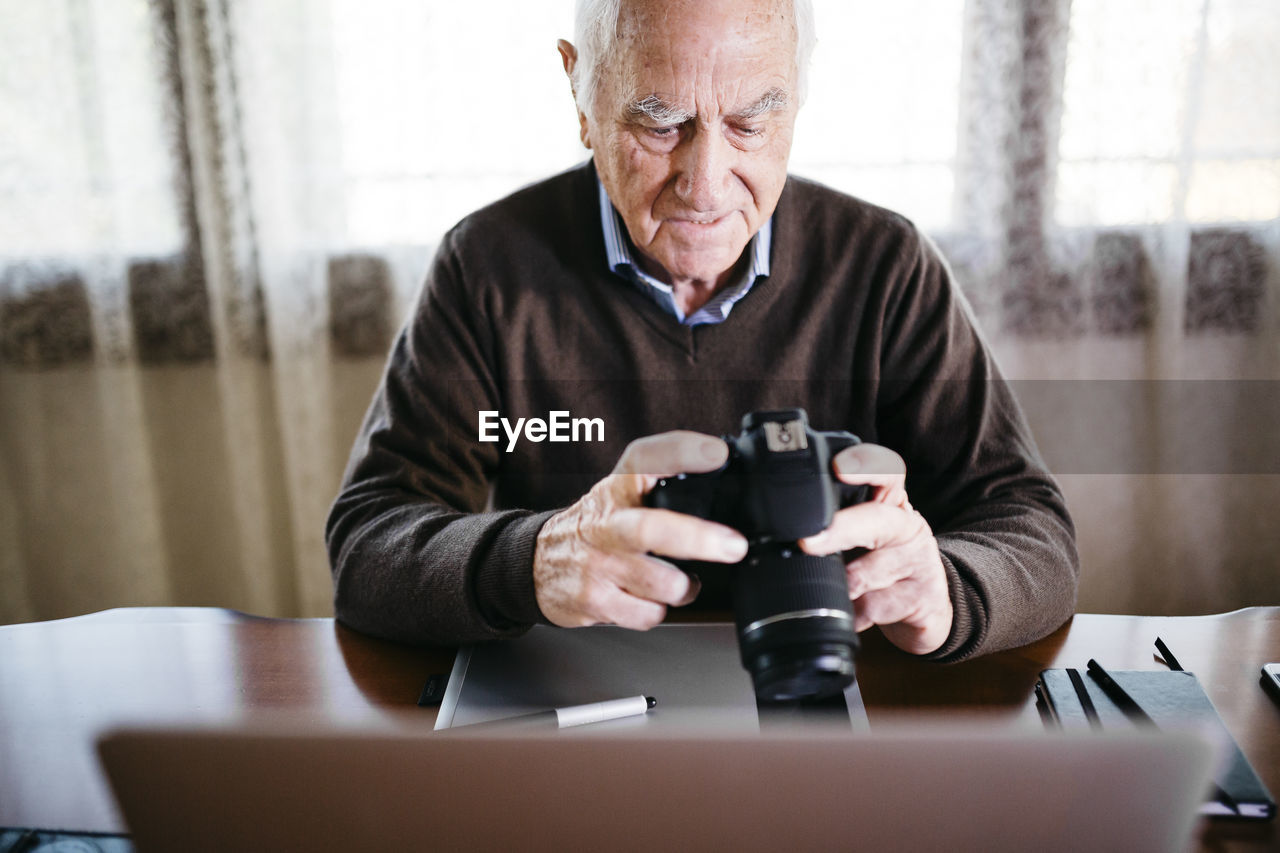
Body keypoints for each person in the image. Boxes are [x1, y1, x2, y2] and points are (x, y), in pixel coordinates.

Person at [326, 0, 1078, 661]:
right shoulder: (488, 269)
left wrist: (944, 590)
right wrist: (531, 560)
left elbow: (1030, 529)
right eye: (661, 122)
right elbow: (369, 543)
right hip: (580, 701)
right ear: (580, 92)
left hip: (833, 697)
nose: (707, 182)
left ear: (799, 93)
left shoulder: (884, 267)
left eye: (752, 121)